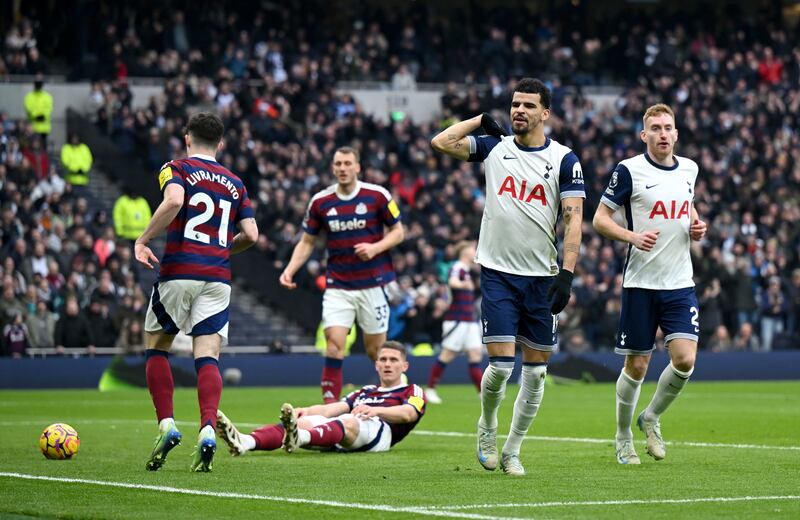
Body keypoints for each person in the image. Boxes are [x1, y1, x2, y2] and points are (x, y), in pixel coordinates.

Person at [430, 77, 585, 476]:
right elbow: (441, 142)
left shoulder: (566, 160)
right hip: (499, 273)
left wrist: (566, 274)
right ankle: (487, 427)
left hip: (541, 277)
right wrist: (479, 119)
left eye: (528, 106)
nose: (519, 110)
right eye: (515, 104)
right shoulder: (495, 148)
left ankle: (513, 449)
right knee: (499, 367)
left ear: (545, 113)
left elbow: (573, 219)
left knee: (535, 376)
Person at [134, 112, 259, 473]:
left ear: (187, 137)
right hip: (218, 278)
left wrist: (143, 239)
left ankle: (168, 424)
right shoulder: (236, 182)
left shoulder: (176, 167)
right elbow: (251, 234)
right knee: (208, 357)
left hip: (179, 270)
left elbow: (173, 201)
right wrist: (221, 249)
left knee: (157, 347)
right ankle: (207, 428)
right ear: (220, 143)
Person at [592, 103, 707, 465]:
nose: (661, 133)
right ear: (644, 135)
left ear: (676, 133)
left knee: (685, 360)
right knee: (637, 367)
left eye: (667, 127)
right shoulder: (629, 171)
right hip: (641, 283)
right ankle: (623, 436)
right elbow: (599, 219)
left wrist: (696, 224)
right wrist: (631, 235)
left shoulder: (690, 169)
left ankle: (651, 417)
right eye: (654, 128)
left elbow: (687, 206)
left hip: (679, 282)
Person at [279, 147, 405, 403]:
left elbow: (398, 232)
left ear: (358, 167)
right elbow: (306, 242)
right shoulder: (320, 202)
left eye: (348, 163)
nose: (343, 168)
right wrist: (290, 269)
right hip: (338, 286)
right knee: (334, 345)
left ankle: (398, 399)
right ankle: (330, 410)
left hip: (372, 285)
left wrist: (375, 247)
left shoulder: (377, 196)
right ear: (333, 168)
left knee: (376, 352)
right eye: (338, 164)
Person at [215, 341, 425, 456]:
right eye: (383, 360)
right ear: (376, 364)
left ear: (404, 366)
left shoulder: (412, 390)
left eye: (393, 360)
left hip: (380, 433)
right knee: (305, 422)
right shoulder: (365, 391)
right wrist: (305, 410)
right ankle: (246, 442)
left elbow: (408, 414)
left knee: (349, 420)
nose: (388, 364)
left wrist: (377, 411)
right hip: (346, 429)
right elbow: (330, 409)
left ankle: (300, 438)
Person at [425, 240, 484, 404]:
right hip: (457, 320)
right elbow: (452, 281)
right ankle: (430, 389)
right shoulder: (458, 267)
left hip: (469, 320)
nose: (475, 252)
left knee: (475, 354)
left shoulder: (467, 270)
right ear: (465, 252)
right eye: (472, 249)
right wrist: (462, 284)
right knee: (447, 355)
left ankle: (482, 393)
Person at [23, 76, 53, 149]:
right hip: (33, 128)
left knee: (43, 149)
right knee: (31, 148)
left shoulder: (47, 96)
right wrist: (37, 116)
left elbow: (48, 109)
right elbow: (29, 108)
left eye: (39, 83)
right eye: (37, 83)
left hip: (44, 128)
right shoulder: (29, 96)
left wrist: (42, 116)